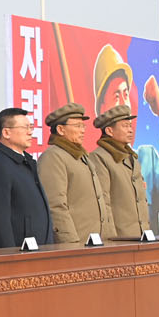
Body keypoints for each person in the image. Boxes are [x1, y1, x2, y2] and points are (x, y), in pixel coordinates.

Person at [92, 44, 159, 223]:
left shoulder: (146, 159)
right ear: (102, 109)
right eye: (116, 96)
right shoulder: (96, 163)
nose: (124, 104)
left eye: (126, 94)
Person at [36, 102, 116, 244]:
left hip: (97, 241)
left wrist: (110, 236)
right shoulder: (53, 157)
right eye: (77, 126)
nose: (82, 130)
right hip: (78, 243)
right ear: (60, 129)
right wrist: (70, 242)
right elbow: (56, 205)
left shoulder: (81, 155)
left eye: (83, 126)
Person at [0, 107, 54, 249]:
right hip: (18, 254)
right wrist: (9, 258)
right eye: (25, 127)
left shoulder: (26, 162)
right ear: (6, 132)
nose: (30, 132)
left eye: (30, 127)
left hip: (39, 250)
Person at [89, 104, 151, 237]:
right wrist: (111, 237)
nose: (130, 130)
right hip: (120, 238)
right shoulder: (99, 157)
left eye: (130, 125)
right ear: (109, 131)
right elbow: (103, 201)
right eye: (125, 126)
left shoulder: (131, 157)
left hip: (141, 235)